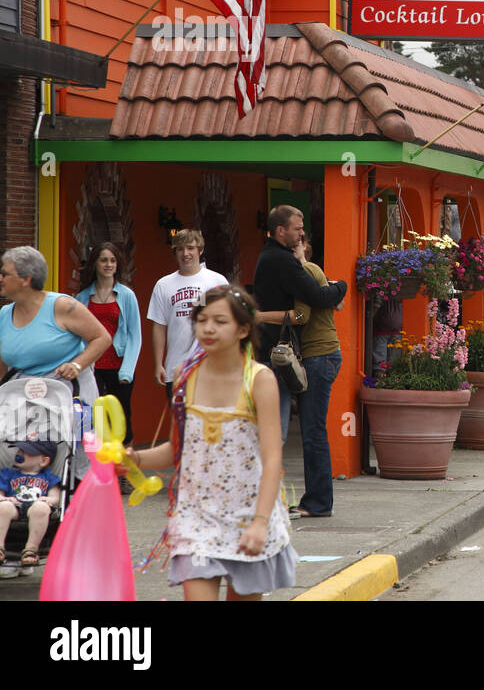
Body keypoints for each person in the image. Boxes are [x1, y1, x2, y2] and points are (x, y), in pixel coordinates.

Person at [129, 285, 295, 600]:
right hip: (196, 520)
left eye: (220, 321)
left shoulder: (259, 380)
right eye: (202, 320)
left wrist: (260, 523)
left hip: (249, 517)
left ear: (243, 329)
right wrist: (133, 460)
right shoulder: (184, 376)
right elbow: (178, 451)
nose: (208, 328)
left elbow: (273, 459)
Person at [0, 247, 111, 466]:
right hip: (24, 396)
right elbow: (3, 364)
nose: (0, 278)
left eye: (5, 273)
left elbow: (102, 337)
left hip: (67, 391)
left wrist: (77, 365)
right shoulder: (4, 315)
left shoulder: (63, 306)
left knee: (72, 461)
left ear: (26, 279)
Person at [251, 205, 347, 443]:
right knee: (277, 435)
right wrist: (342, 286)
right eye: (298, 228)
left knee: (275, 433)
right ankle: (267, 479)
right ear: (281, 230)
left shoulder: (269, 256)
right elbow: (318, 298)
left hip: (272, 353)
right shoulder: (283, 260)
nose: (302, 233)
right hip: (277, 356)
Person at [288, 240, 343, 519]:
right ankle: (316, 500)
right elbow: (338, 300)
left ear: (303, 247)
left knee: (313, 432)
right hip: (324, 354)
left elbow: (301, 315)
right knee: (313, 431)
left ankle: (319, 502)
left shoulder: (305, 271)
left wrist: (260, 316)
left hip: (319, 355)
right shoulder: (312, 270)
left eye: (295, 245)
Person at [75, 242, 143, 453]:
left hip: (118, 366)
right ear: (95, 263)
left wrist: (127, 371)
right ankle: (91, 471)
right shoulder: (82, 298)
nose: (108, 264)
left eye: (112, 260)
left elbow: (135, 336)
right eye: (103, 260)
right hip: (91, 365)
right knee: (90, 418)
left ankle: (124, 471)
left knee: (121, 419)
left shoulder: (127, 296)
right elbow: (76, 336)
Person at [148, 230, 228, 400]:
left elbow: (229, 323)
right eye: (180, 249)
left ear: (200, 250)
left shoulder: (217, 281)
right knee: (182, 425)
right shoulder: (163, 285)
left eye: (191, 248)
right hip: (176, 368)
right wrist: (158, 364)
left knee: (210, 423)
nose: (186, 254)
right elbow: (159, 326)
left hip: (211, 367)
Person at [0, 441, 62, 578]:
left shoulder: (48, 477)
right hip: (14, 506)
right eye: (19, 450)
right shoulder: (8, 473)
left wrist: (48, 500)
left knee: (41, 508)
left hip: (35, 507)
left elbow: (55, 497)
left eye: (27, 452)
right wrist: (5, 498)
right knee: (3, 506)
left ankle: (31, 549)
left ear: (44, 460)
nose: (20, 453)